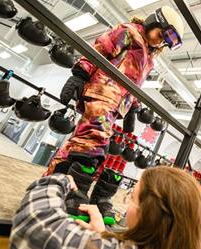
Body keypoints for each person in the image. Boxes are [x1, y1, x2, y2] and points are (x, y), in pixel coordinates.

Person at [45, 6, 184, 177]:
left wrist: (132, 107)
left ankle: (49, 182)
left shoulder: (149, 59)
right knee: (93, 141)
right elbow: (101, 50)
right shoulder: (129, 32)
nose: (159, 42)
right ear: (152, 22)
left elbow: (134, 84)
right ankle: (77, 189)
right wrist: (80, 73)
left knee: (78, 143)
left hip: (116, 105)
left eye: (164, 42)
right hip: (103, 92)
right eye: (160, 36)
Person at [10, 166, 201, 249]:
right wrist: (103, 235)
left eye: (132, 197)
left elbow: (35, 226)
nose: (127, 205)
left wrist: (59, 180)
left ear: (150, 213)